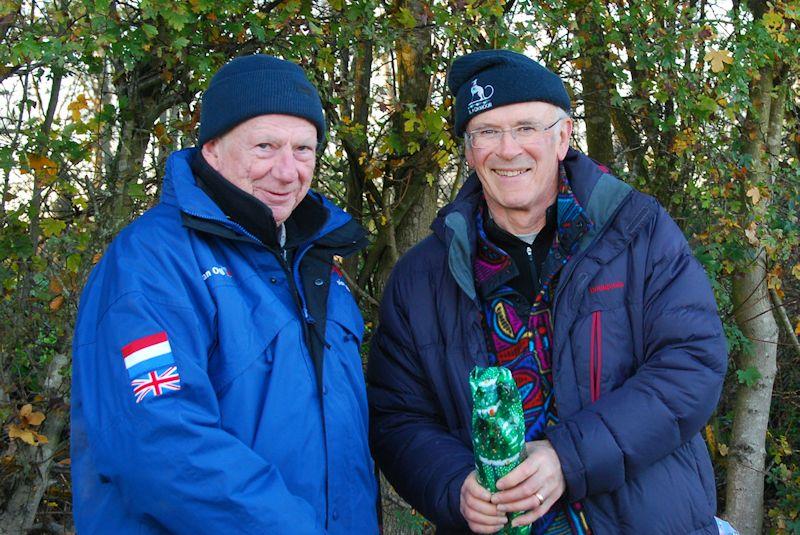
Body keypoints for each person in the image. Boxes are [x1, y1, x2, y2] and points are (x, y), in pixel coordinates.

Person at [367, 49, 727, 534]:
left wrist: (568, 458)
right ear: (470, 151)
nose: (508, 149)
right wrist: (453, 485)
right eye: (487, 133)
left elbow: (692, 363)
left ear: (563, 137)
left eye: (526, 128)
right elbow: (397, 416)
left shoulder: (637, 231)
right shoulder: (422, 276)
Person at [71, 54, 378, 534]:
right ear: (211, 149)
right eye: (265, 146)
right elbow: (158, 444)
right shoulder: (152, 262)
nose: (287, 171)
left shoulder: (315, 263)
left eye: (304, 149)